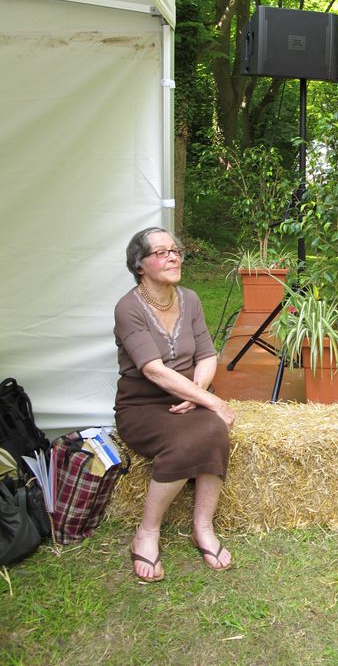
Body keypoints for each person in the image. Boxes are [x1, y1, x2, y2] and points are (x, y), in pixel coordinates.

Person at [114, 227, 235, 582]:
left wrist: (196, 391)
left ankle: (203, 527)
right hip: (142, 405)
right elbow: (153, 371)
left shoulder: (191, 299)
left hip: (188, 393)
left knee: (213, 428)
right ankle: (147, 532)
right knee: (190, 438)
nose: (173, 256)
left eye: (176, 250)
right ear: (140, 264)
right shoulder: (128, 308)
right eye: (162, 252)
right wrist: (210, 400)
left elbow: (208, 355)